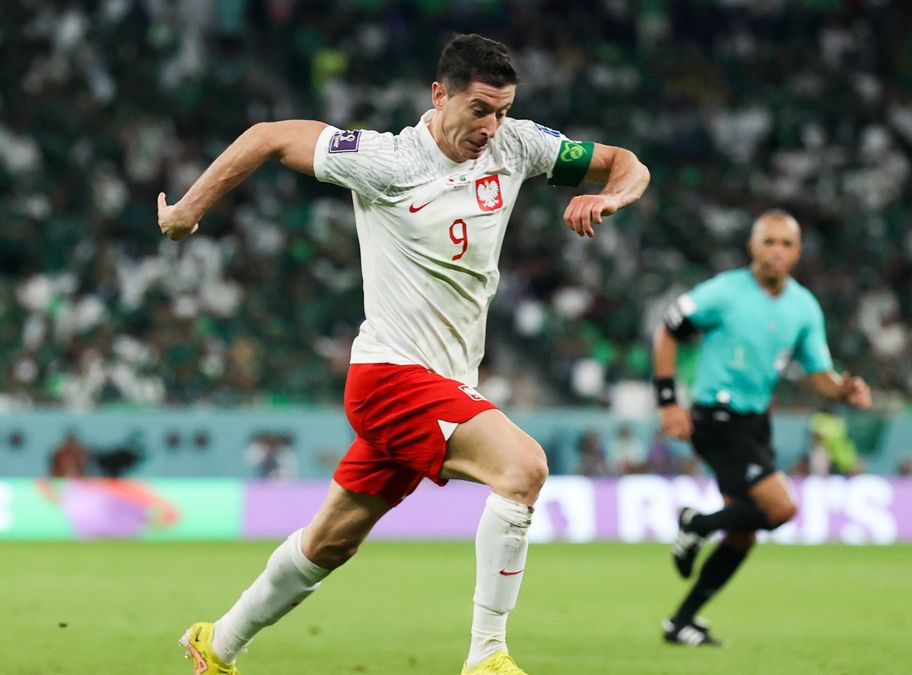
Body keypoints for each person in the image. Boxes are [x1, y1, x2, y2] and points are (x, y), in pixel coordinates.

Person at [159, 34, 649, 674]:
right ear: (439, 95)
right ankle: (488, 656)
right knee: (523, 469)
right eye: (479, 109)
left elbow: (623, 160)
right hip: (390, 375)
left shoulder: (516, 144)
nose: (491, 126)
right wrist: (187, 213)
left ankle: (215, 644)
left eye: (502, 110)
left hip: (444, 380)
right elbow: (268, 136)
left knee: (329, 542)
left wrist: (611, 195)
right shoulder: (385, 160)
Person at [654, 210, 871, 646]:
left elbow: (817, 372)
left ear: (798, 252)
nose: (777, 251)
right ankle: (694, 525)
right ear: (752, 247)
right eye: (769, 241)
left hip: (755, 423)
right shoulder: (724, 291)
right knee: (782, 508)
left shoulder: (804, 306)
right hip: (716, 417)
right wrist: (668, 402)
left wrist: (843, 390)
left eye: (786, 244)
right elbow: (668, 330)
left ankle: (681, 622)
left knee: (742, 536)